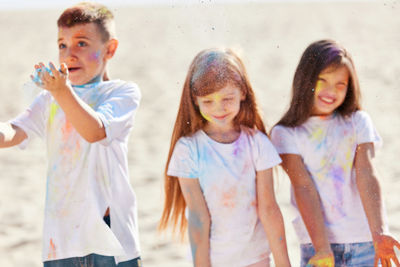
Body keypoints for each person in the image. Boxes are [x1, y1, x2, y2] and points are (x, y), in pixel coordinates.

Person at [0, 2, 142, 266]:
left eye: (82, 44)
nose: (69, 54)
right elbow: (15, 130)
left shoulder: (122, 93)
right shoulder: (49, 99)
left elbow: (95, 131)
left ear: (110, 49)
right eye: (62, 45)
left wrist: (61, 91)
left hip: (110, 238)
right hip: (61, 240)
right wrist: (56, 93)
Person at [270, 39, 400, 267]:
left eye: (341, 84)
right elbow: (303, 188)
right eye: (323, 81)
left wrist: (379, 234)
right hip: (318, 247)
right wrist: (322, 248)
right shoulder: (286, 133)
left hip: (365, 244)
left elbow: (367, 173)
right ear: (306, 80)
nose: (331, 91)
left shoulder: (358, 122)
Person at [159, 48, 291, 267]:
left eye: (227, 98)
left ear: (243, 92)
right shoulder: (188, 150)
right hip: (213, 259)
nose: (218, 108)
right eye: (208, 102)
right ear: (195, 100)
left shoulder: (257, 143)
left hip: (255, 258)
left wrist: (283, 263)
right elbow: (198, 217)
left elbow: (269, 209)